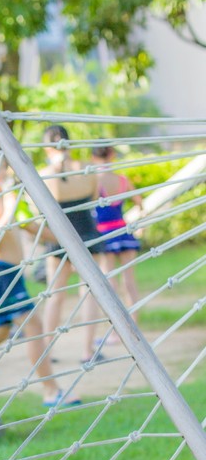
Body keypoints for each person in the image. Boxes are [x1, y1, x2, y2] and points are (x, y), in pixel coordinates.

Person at [0, 145, 79, 407]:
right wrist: (7, 212)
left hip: (12, 273)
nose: (1, 173)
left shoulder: (6, 200)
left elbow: (28, 227)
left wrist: (71, 241)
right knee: (33, 326)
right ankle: (51, 391)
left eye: (4, 168)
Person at [41, 125, 103, 366]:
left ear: (47, 147)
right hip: (87, 234)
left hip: (59, 237)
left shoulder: (44, 175)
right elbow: (94, 196)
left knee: (55, 296)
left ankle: (47, 352)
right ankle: (88, 351)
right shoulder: (88, 171)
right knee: (88, 294)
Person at [91, 144, 142, 343]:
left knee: (110, 284)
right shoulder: (122, 180)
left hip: (104, 235)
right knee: (129, 282)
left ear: (93, 157)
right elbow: (140, 203)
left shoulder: (95, 181)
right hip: (124, 231)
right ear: (112, 154)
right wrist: (137, 223)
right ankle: (134, 328)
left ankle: (116, 332)